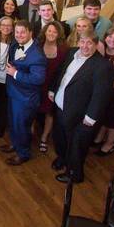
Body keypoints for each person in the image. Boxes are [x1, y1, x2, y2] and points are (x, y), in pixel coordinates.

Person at [48, 32, 112, 183]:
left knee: (76, 146)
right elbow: (60, 73)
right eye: (82, 42)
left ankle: (74, 174)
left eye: (89, 43)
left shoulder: (103, 66)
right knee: (60, 138)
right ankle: (62, 159)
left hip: (80, 114)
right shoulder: (71, 53)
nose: (85, 46)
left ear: (96, 45)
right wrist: (52, 89)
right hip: (60, 105)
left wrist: (91, 117)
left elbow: (101, 94)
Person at [1, 20, 47, 166]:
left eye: (23, 32)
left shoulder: (37, 55)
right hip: (13, 93)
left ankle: (23, 153)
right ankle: (15, 144)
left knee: (22, 126)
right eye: (17, 32)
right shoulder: (15, 45)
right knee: (14, 123)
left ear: (30, 33)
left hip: (26, 98)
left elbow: (38, 79)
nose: (19, 35)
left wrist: (15, 74)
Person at [37, 21, 68, 155]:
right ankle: (30, 131)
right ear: (45, 31)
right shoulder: (37, 45)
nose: (51, 34)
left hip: (52, 86)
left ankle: (44, 137)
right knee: (33, 108)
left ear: (59, 34)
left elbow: (64, 71)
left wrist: (55, 89)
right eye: (49, 31)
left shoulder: (63, 49)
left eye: (55, 32)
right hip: (37, 84)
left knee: (50, 112)